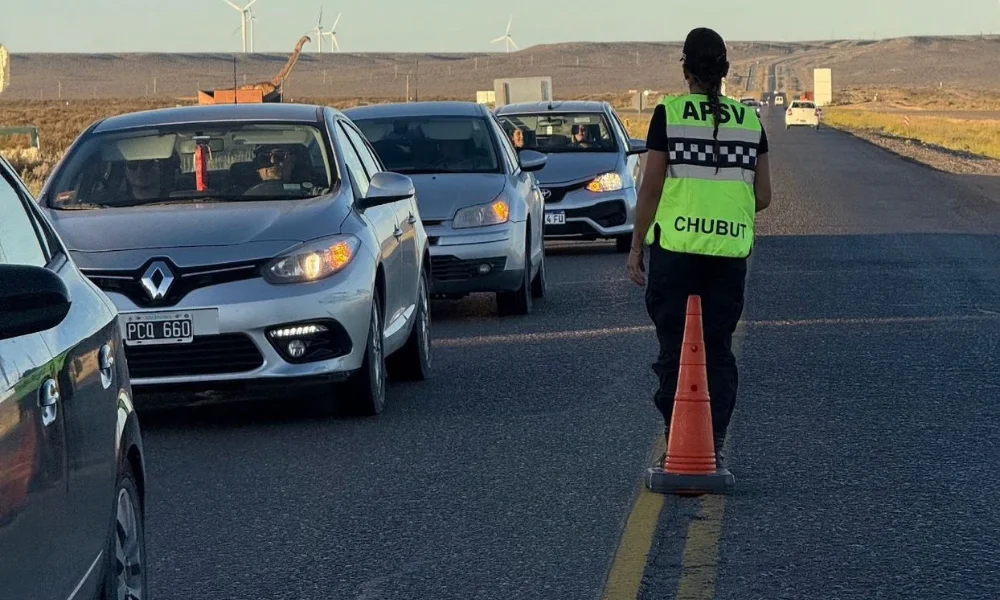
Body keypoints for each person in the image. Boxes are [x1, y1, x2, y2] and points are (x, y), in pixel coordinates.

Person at [626, 27, 772, 468]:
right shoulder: (750, 121)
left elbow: (650, 188)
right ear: (725, 71)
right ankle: (716, 440)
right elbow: (763, 196)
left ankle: (678, 435)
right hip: (727, 258)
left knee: (677, 350)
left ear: (685, 69)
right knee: (718, 348)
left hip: (676, 254)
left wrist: (636, 247)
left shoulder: (668, 114)